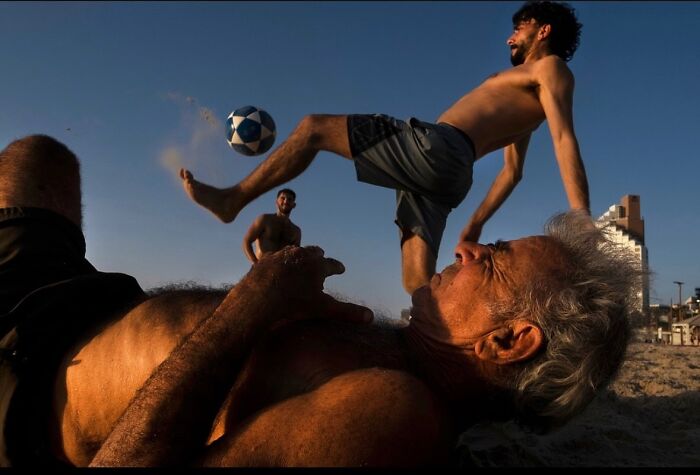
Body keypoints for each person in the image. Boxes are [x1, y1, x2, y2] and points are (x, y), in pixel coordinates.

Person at [0, 134, 642, 468]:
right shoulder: (394, 356)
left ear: (507, 341)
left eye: (495, 258)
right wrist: (270, 275)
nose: (469, 249)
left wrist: (251, 305)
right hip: (77, 303)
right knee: (41, 156)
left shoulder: (398, 413)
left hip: (22, 378)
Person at [180, 1, 588, 295]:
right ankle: (444, 341)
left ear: (543, 30)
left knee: (312, 128)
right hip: (450, 176)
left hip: (438, 148)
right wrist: (475, 225)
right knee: (418, 284)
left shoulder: (549, 68)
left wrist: (582, 218)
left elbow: (564, 137)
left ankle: (233, 199)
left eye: (520, 28)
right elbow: (511, 173)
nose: (510, 36)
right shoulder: (526, 108)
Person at [242, 188, 301, 265]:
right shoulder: (265, 220)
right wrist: (255, 263)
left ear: (294, 205)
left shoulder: (296, 231)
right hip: (261, 268)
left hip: (282, 273)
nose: (286, 201)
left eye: (289, 199)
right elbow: (246, 241)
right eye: (283, 198)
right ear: (276, 202)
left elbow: (296, 256)